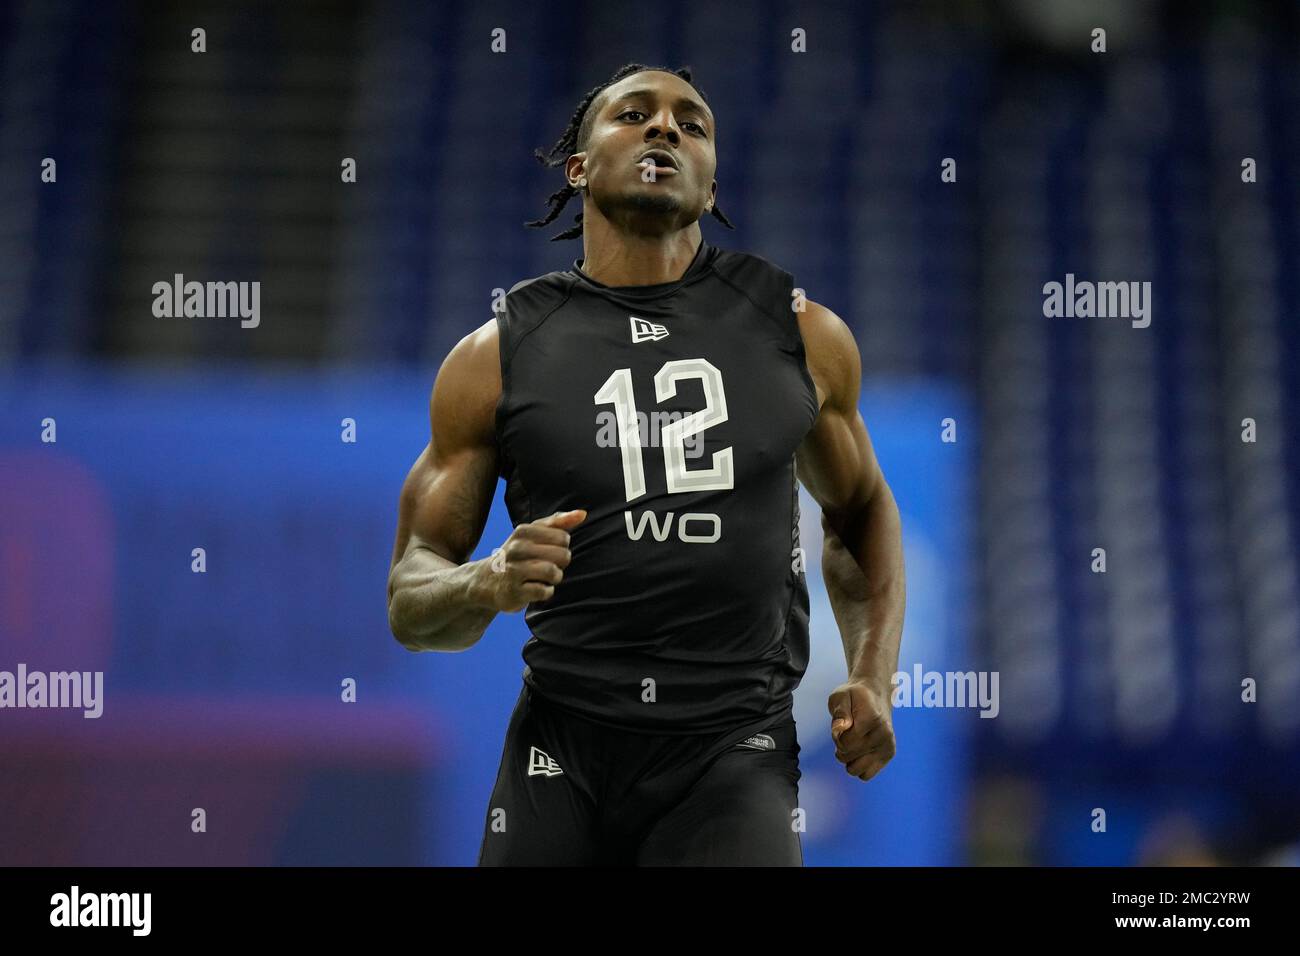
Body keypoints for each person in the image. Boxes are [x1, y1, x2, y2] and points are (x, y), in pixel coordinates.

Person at [387, 63, 906, 865]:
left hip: (735, 749)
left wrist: (875, 675)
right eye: (635, 114)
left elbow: (863, 509)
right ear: (580, 166)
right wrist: (485, 583)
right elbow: (410, 600)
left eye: (692, 124)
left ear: (710, 182)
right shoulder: (495, 355)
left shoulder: (802, 334)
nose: (666, 129)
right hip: (561, 749)